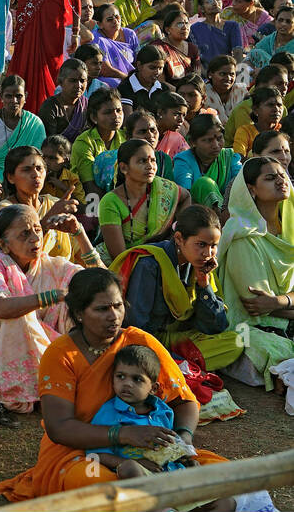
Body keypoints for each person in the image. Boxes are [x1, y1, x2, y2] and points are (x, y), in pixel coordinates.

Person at [0, 268, 225, 501]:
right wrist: (123, 434)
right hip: (79, 453)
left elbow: (183, 401)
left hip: (147, 448)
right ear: (80, 313)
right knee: (102, 487)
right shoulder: (60, 355)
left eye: (118, 306)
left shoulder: (139, 341)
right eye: (102, 309)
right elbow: (59, 428)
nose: (113, 316)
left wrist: (182, 441)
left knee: (223, 474)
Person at [0, 204, 101, 416]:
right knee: (20, 317)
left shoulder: (51, 266)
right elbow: (0, 307)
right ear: (3, 244)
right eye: (25, 234)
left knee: (86, 303)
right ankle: (36, 387)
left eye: (37, 229)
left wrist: (79, 233)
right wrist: (52, 297)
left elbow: (103, 283)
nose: (35, 238)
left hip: (47, 351)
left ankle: (54, 381)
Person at [109, 205, 244, 372]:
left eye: (213, 246)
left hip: (176, 339)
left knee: (234, 343)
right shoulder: (150, 264)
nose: (208, 253)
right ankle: (174, 365)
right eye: (201, 244)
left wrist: (204, 285)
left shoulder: (200, 267)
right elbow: (136, 325)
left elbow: (216, 326)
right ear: (179, 239)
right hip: (147, 341)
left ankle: (178, 366)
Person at [218, 157, 294, 390]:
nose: (280, 181)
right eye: (270, 178)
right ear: (251, 190)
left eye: (282, 175)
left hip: (285, 314)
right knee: (272, 349)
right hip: (253, 326)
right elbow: (257, 306)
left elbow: (272, 303)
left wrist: (282, 300)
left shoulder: (290, 230)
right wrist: (278, 304)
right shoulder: (242, 235)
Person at [85, 345, 203, 479]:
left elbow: (169, 449)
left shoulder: (163, 411)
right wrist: (135, 463)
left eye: (137, 379)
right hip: (139, 475)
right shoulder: (109, 413)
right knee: (129, 468)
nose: (127, 384)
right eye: (121, 376)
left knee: (214, 485)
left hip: (168, 473)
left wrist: (184, 460)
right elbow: (95, 455)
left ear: (153, 388)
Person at [99, 139, 189, 262]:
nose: (150, 166)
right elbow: (120, 258)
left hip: (160, 258)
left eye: (153, 160)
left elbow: (186, 196)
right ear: (124, 168)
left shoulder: (163, 188)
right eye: (142, 161)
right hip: (120, 266)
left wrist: (174, 234)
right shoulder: (110, 202)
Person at [0, 74, 45, 182]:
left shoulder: (35, 124)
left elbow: (38, 161)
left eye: (19, 96)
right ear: (1, 96)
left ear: (25, 96)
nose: (14, 100)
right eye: (8, 96)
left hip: (26, 180)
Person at [173, 114, 240, 209]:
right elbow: (184, 196)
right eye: (209, 140)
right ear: (193, 142)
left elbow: (240, 185)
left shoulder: (230, 157)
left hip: (231, 211)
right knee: (204, 184)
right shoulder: (183, 160)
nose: (216, 145)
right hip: (196, 213)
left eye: (219, 138)